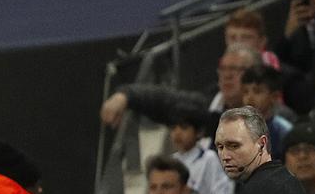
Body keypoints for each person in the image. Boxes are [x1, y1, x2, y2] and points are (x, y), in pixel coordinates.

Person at [100, 44, 259, 136]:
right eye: (223, 69)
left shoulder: (270, 118)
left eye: (236, 69)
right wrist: (125, 95)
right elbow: (166, 100)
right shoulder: (206, 108)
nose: (227, 76)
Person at [170, 111, 233, 194]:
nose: (177, 133)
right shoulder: (171, 162)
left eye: (184, 128)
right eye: (173, 128)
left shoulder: (208, 158)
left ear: (199, 132)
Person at [239, 64, 293, 154]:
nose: (249, 97)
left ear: (274, 97)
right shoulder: (235, 128)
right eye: (245, 91)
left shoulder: (284, 132)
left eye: (257, 91)